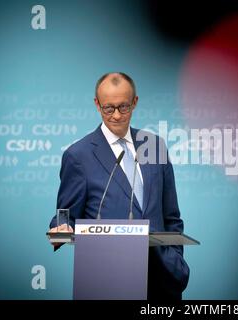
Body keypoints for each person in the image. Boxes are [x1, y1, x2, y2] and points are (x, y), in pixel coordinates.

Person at [48, 72, 189, 300]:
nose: (115, 115)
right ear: (97, 104)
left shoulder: (153, 145)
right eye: (108, 108)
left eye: (123, 107)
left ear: (135, 102)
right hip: (106, 280)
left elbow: (171, 216)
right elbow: (65, 215)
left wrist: (175, 261)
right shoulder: (78, 155)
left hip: (162, 280)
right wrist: (61, 227)